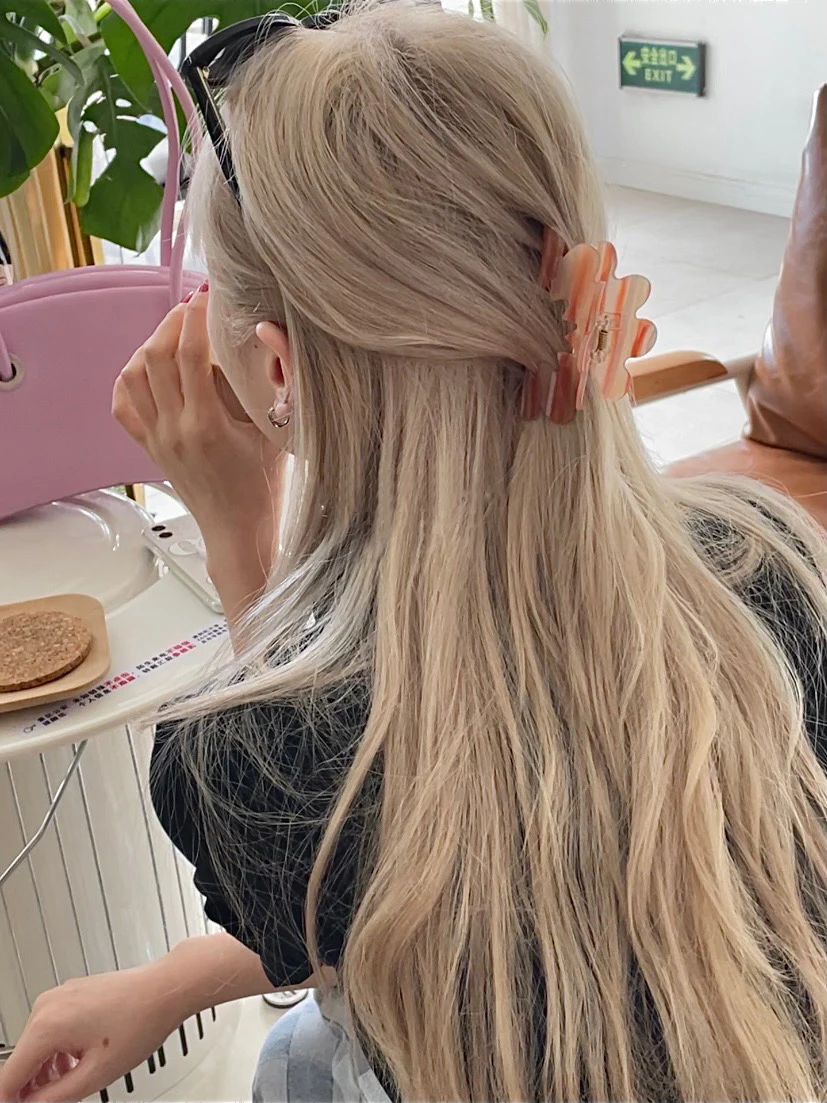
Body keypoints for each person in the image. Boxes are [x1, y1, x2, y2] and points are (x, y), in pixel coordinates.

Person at [2, 3, 827, 1101]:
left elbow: (325, 898)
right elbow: (486, 892)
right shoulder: (771, 565)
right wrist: (174, 981)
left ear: (278, 369)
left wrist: (240, 535)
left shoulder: (259, 752)